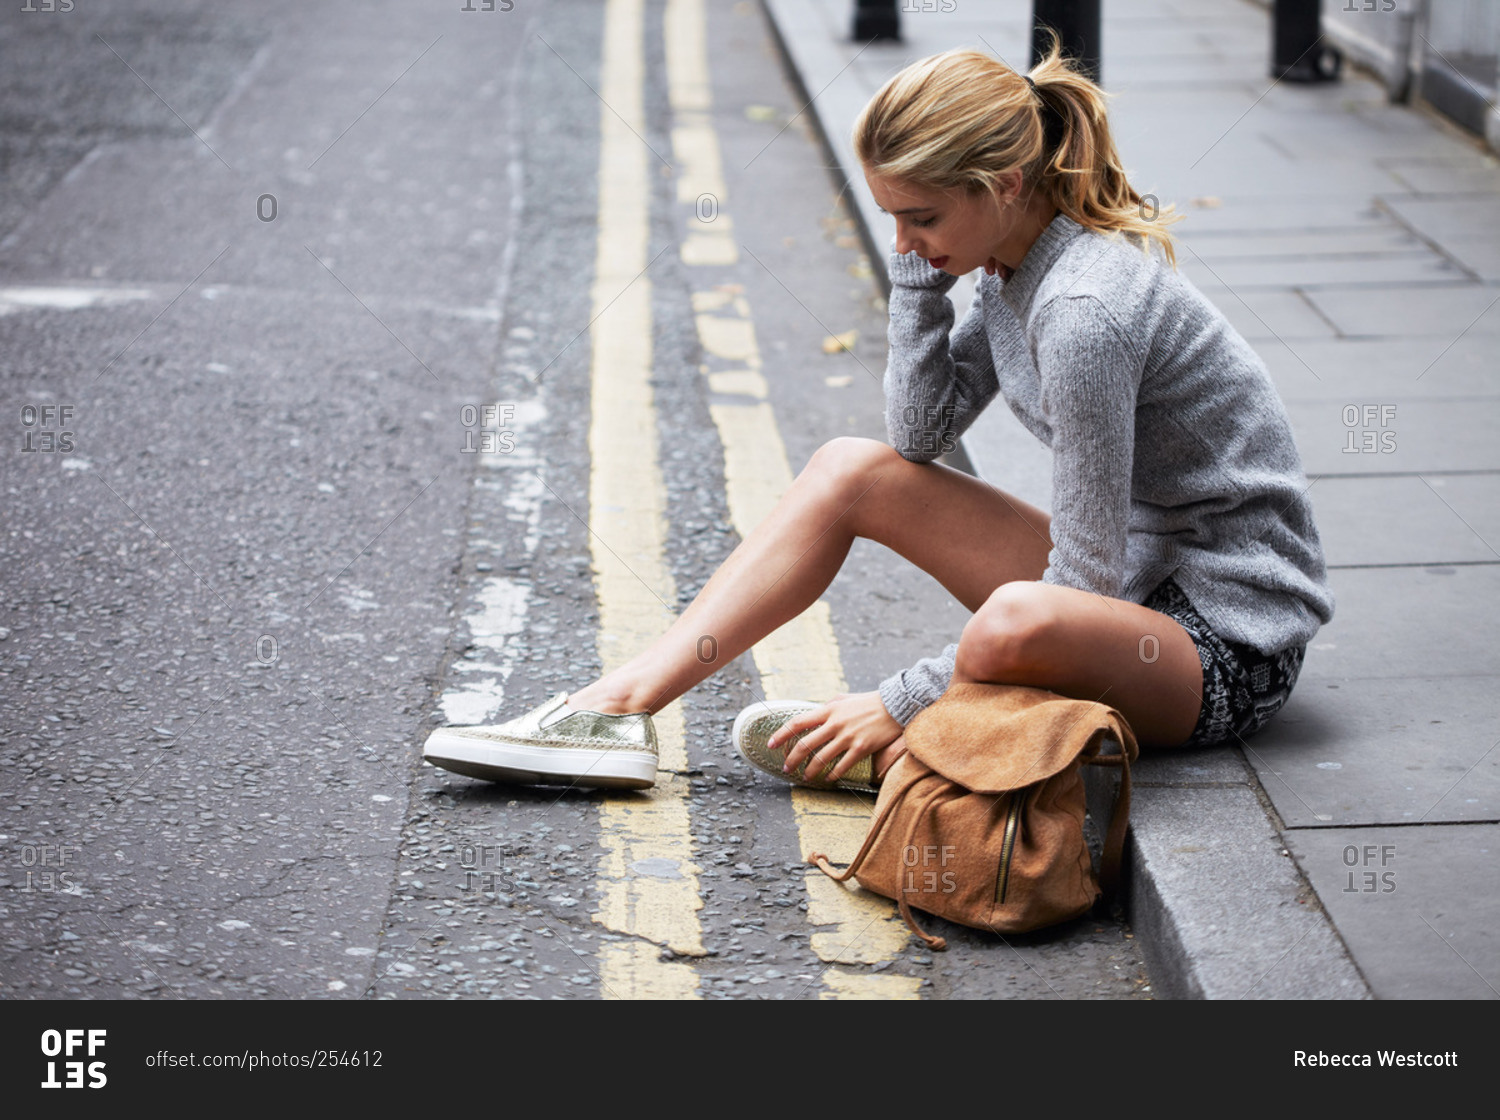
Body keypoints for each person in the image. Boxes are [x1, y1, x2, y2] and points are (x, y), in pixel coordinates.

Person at [423, 42, 1333, 793]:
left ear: (1007, 184)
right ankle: (615, 709)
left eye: (922, 217)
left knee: (1018, 620)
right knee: (850, 468)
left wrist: (900, 695)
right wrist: (919, 278)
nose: (904, 240)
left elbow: (1084, 582)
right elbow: (919, 436)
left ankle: (919, 735)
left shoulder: (1083, 307)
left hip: (1218, 644)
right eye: (890, 215)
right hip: (1136, 586)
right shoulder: (1018, 270)